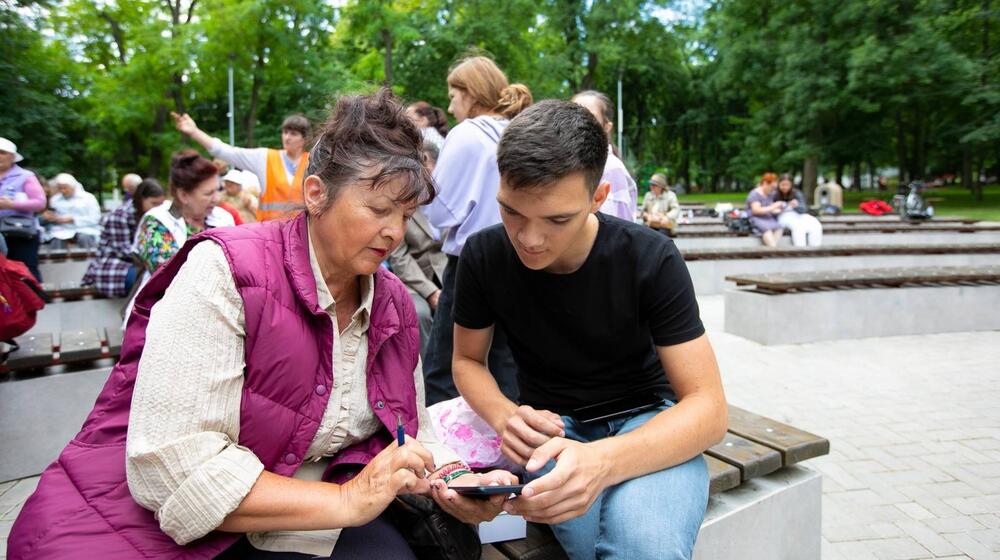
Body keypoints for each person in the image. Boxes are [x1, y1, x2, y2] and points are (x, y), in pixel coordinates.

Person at [10, 89, 516, 560]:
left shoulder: (392, 303)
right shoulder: (224, 271)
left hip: (319, 503)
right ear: (315, 193)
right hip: (183, 521)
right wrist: (349, 499)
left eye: (405, 215)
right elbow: (173, 470)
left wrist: (451, 478)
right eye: (379, 209)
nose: (393, 233)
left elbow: (412, 428)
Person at [452, 100, 726, 559]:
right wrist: (504, 415)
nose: (529, 239)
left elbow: (709, 409)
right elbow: (466, 360)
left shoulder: (650, 258)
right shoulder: (483, 256)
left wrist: (602, 461)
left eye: (557, 219)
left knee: (642, 547)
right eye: (512, 212)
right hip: (553, 431)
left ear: (598, 197)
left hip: (649, 420)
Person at [423, 54, 532, 406]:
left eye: (453, 96)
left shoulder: (467, 134)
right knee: (506, 362)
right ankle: (516, 446)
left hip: (472, 262)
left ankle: (444, 452)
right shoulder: (518, 131)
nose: (451, 107)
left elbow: (439, 211)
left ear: (470, 94)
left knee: (445, 364)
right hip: (522, 257)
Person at [172, 112, 310, 221]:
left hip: (303, 234)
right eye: (285, 132)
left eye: (293, 134)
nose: (287, 137)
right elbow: (228, 152)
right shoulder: (265, 157)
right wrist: (194, 132)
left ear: (304, 138)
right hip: (271, 236)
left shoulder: (314, 161)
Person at [388, 143, 447, 359]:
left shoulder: (449, 198)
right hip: (414, 279)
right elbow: (399, 256)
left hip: (448, 272)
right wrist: (431, 292)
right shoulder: (402, 203)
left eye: (427, 164)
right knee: (420, 313)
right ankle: (428, 372)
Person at [81, 179, 166, 298]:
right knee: (151, 282)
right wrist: (157, 259)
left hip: (142, 263)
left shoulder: (156, 215)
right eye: (154, 203)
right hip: (113, 265)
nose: (158, 207)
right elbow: (125, 251)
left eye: (160, 204)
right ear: (141, 199)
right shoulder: (121, 216)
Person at [571, 90, 637, 222]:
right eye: (571, 115)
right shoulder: (574, 164)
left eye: (589, 116)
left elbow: (615, 230)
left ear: (607, 126)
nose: (578, 122)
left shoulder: (611, 169)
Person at [0, 138, 46, 282]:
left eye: (2, 152)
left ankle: (36, 302)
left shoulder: (25, 176)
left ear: (12, 156)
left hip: (20, 233)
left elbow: (40, 203)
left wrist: (11, 205)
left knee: (26, 273)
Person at [44, 173, 101, 248]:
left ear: (73, 186)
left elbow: (95, 218)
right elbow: (51, 216)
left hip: (85, 229)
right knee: (56, 239)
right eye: (60, 188)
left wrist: (73, 219)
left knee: (85, 238)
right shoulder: (55, 200)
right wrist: (51, 217)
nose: (63, 191)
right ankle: (57, 259)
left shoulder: (88, 198)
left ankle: (89, 258)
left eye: (65, 188)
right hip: (62, 230)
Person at [775, 174, 822, 247]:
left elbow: (803, 209)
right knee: (798, 227)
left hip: (797, 215)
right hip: (782, 217)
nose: (785, 187)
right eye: (783, 185)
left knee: (815, 224)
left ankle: (815, 247)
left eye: (787, 185)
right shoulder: (774, 194)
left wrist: (796, 206)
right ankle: (800, 248)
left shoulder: (796, 193)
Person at [746, 172, 785, 247]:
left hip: (767, 217)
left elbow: (768, 208)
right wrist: (773, 207)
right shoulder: (755, 194)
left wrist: (779, 210)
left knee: (779, 228)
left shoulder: (769, 194)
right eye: (771, 187)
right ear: (765, 183)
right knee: (767, 230)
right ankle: (772, 248)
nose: (772, 189)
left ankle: (773, 248)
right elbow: (756, 211)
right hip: (757, 218)